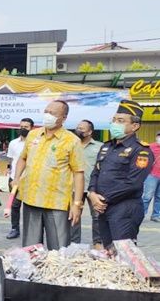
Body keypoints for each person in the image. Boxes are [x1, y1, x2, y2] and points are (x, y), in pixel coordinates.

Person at [11, 100, 84, 250]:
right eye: (46, 111)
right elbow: (23, 158)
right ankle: (31, 272)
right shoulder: (33, 135)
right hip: (31, 198)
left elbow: (78, 173)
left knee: (58, 248)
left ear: (63, 118)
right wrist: (16, 178)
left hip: (57, 202)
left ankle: (56, 273)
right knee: (31, 249)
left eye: (52, 113)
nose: (47, 115)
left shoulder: (72, 141)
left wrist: (77, 204)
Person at [88, 100, 154, 250]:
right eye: (114, 120)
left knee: (124, 255)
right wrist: (92, 193)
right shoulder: (106, 146)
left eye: (121, 121)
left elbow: (133, 183)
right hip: (104, 208)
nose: (115, 124)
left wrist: (103, 199)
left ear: (135, 126)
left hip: (125, 209)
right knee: (108, 252)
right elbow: (96, 172)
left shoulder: (141, 150)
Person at [70, 120, 103, 247]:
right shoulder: (70, 144)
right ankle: (74, 243)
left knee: (97, 216)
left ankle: (98, 242)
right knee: (74, 216)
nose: (79, 130)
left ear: (90, 132)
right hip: (74, 187)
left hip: (93, 187)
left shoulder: (99, 147)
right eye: (78, 127)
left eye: (82, 128)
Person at [5, 118, 34, 240]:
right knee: (15, 205)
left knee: (30, 206)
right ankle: (14, 228)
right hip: (14, 178)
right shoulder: (13, 143)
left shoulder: (36, 143)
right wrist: (8, 169)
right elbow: (11, 159)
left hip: (30, 179)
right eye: (21, 126)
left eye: (26, 127)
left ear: (31, 128)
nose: (23, 129)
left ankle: (32, 231)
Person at [142, 131, 160, 222]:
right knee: (147, 196)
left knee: (159, 197)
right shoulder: (150, 147)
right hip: (152, 175)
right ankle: (141, 214)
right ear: (156, 137)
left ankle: (156, 215)